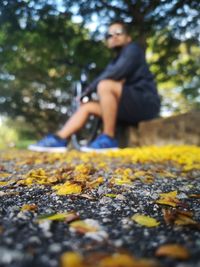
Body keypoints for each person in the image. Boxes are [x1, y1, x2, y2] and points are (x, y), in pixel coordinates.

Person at [28, 20, 161, 152]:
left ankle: (108, 138)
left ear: (128, 38)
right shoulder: (114, 62)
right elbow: (112, 75)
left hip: (145, 104)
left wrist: (88, 90)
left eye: (118, 33)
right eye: (109, 35)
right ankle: (59, 139)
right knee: (88, 107)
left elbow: (115, 73)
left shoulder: (133, 49)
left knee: (105, 85)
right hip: (129, 107)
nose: (113, 36)